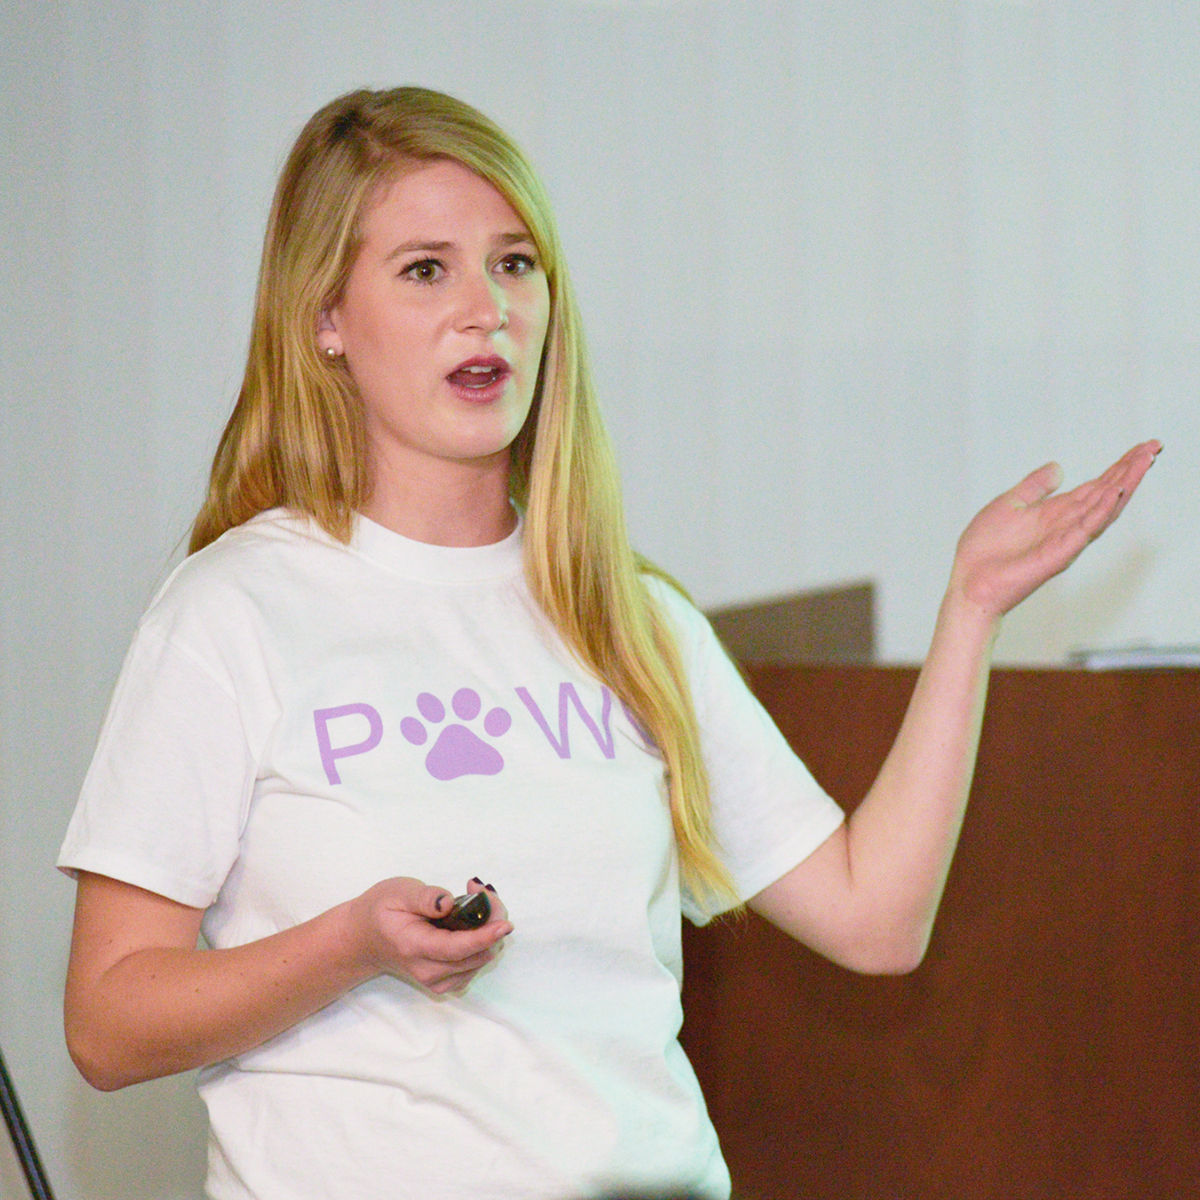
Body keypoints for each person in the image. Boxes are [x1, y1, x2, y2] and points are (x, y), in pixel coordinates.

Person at [57, 86, 1159, 1200]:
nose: (484, 309)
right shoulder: (234, 610)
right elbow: (106, 1023)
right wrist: (350, 945)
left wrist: (969, 611)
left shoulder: (628, 617)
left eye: (515, 264)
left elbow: (875, 919)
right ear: (325, 320)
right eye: (425, 269)